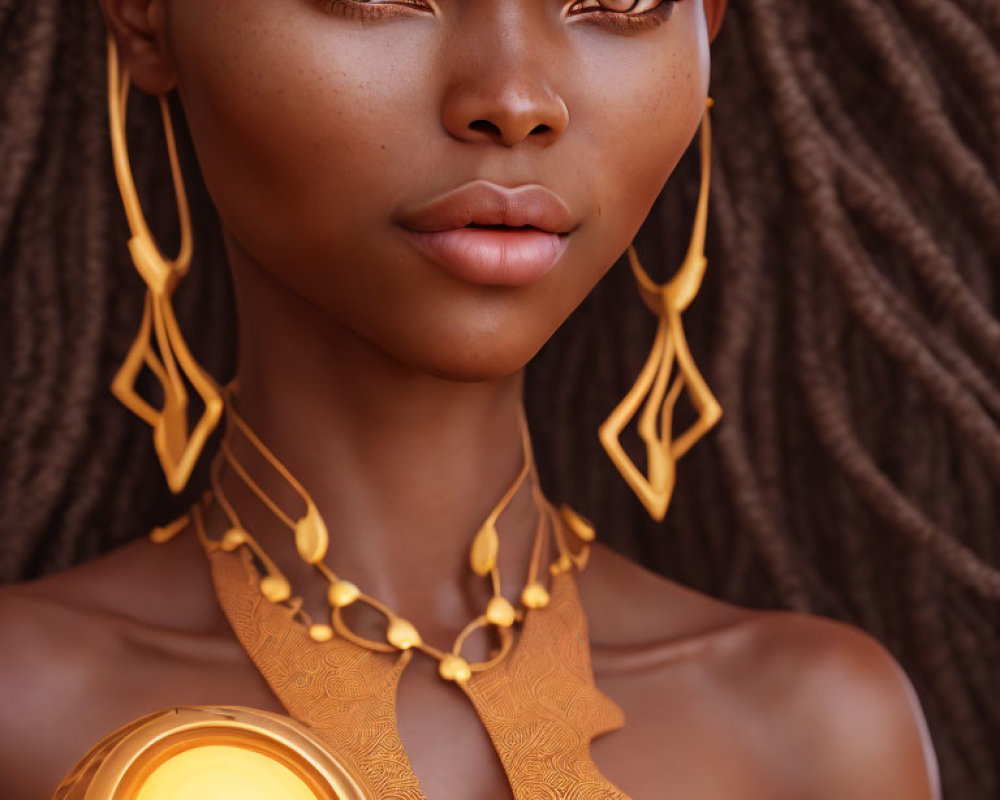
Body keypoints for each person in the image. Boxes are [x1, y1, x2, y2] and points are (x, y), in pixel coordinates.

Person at [6, 0, 999, 797]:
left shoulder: (816, 731)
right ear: (144, 18)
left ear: (706, 28)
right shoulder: (23, 708)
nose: (514, 97)